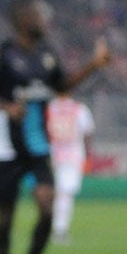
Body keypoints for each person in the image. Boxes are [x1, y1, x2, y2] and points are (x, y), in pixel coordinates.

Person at [0, 0, 110, 254]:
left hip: (37, 144)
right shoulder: (0, 55)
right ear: (21, 19)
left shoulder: (46, 54)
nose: (43, 19)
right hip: (6, 146)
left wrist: (94, 64)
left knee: (48, 208)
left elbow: (63, 85)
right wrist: (6, 106)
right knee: (5, 219)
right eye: (37, 15)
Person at [46, 93, 94, 242]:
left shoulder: (48, 108)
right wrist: (87, 153)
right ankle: (60, 229)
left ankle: (49, 226)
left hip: (50, 155)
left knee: (52, 193)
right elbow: (88, 132)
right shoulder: (79, 109)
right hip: (72, 156)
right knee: (65, 194)